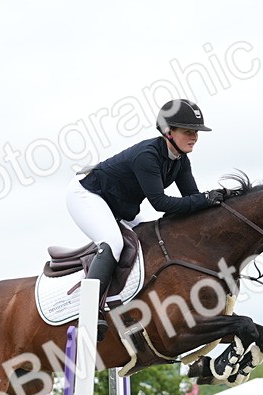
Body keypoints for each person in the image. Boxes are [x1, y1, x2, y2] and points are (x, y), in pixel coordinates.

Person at [67, 98, 226, 339]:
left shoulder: (181, 161)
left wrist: (220, 202)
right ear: (168, 131)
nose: (194, 137)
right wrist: (204, 199)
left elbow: (192, 200)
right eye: (188, 131)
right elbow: (161, 203)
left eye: (196, 132)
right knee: (113, 242)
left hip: (118, 204)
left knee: (148, 238)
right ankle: (88, 311)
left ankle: (126, 301)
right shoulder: (148, 156)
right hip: (87, 194)